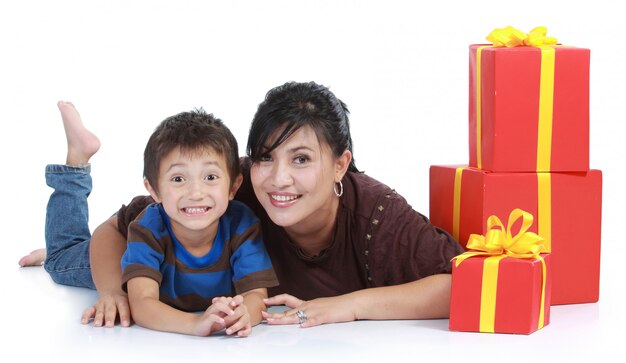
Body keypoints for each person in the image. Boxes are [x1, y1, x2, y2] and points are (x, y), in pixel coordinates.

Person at [21, 82, 464, 328]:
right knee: (65, 260)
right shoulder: (235, 187)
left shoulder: (377, 214)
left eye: (302, 159)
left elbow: (465, 284)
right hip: (167, 269)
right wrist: (114, 292)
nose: (279, 179)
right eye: (266, 157)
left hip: (204, 281)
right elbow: (117, 230)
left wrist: (348, 305)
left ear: (340, 164)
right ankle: (73, 175)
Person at [21, 102, 278, 336]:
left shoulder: (242, 223)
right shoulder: (149, 228)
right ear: (153, 190)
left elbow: (255, 295)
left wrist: (245, 314)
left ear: (234, 187)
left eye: (210, 177)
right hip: (124, 252)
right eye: (178, 179)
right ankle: (76, 162)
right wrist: (194, 325)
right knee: (59, 259)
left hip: (151, 259)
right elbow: (142, 305)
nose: (196, 193)